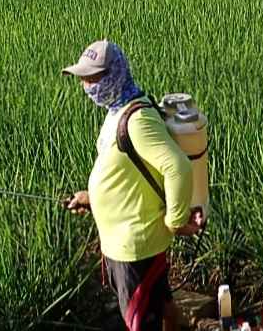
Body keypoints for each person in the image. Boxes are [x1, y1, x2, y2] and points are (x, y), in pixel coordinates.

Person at [62, 39, 203, 331]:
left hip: (135, 250)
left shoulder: (137, 119)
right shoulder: (119, 109)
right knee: (162, 304)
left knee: (142, 321)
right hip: (128, 243)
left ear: (114, 74)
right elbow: (130, 172)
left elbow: (177, 167)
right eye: (83, 78)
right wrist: (93, 197)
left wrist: (176, 221)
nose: (87, 86)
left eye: (93, 77)